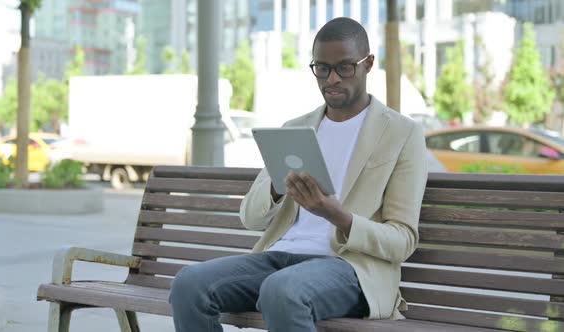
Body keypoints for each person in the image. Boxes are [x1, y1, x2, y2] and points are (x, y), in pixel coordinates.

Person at [169, 17, 427, 331]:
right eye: (322, 68)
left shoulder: (402, 133)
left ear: (368, 64)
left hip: (351, 267)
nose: (331, 79)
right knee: (188, 284)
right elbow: (250, 218)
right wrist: (279, 189)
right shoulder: (296, 130)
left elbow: (403, 240)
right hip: (279, 257)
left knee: (282, 291)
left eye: (344, 68)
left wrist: (338, 217)